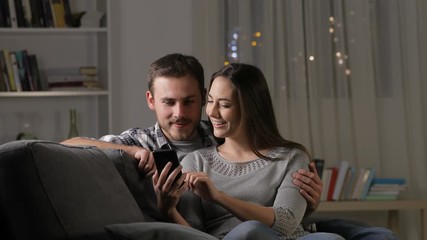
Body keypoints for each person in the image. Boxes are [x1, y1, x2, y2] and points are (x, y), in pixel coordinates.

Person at [61, 53, 397, 240]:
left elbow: (282, 211)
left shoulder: (221, 131)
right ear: (151, 100)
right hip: (231, 233)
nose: (181, 113)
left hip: (287, 228)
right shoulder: (150, 144)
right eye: (169, 102)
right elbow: (68, 144)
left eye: (192, 101)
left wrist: (306, 206)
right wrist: (131, 152)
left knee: (371, 235)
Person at [152, 62, 344, 240]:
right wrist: (169, 210)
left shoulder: (291, 156)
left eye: (225, 105)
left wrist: (218, 196)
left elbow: (285, 224)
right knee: (250, 231)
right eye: (210, 101)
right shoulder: (195, 162)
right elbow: (194, 234)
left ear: (251, 108)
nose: (212, 112)